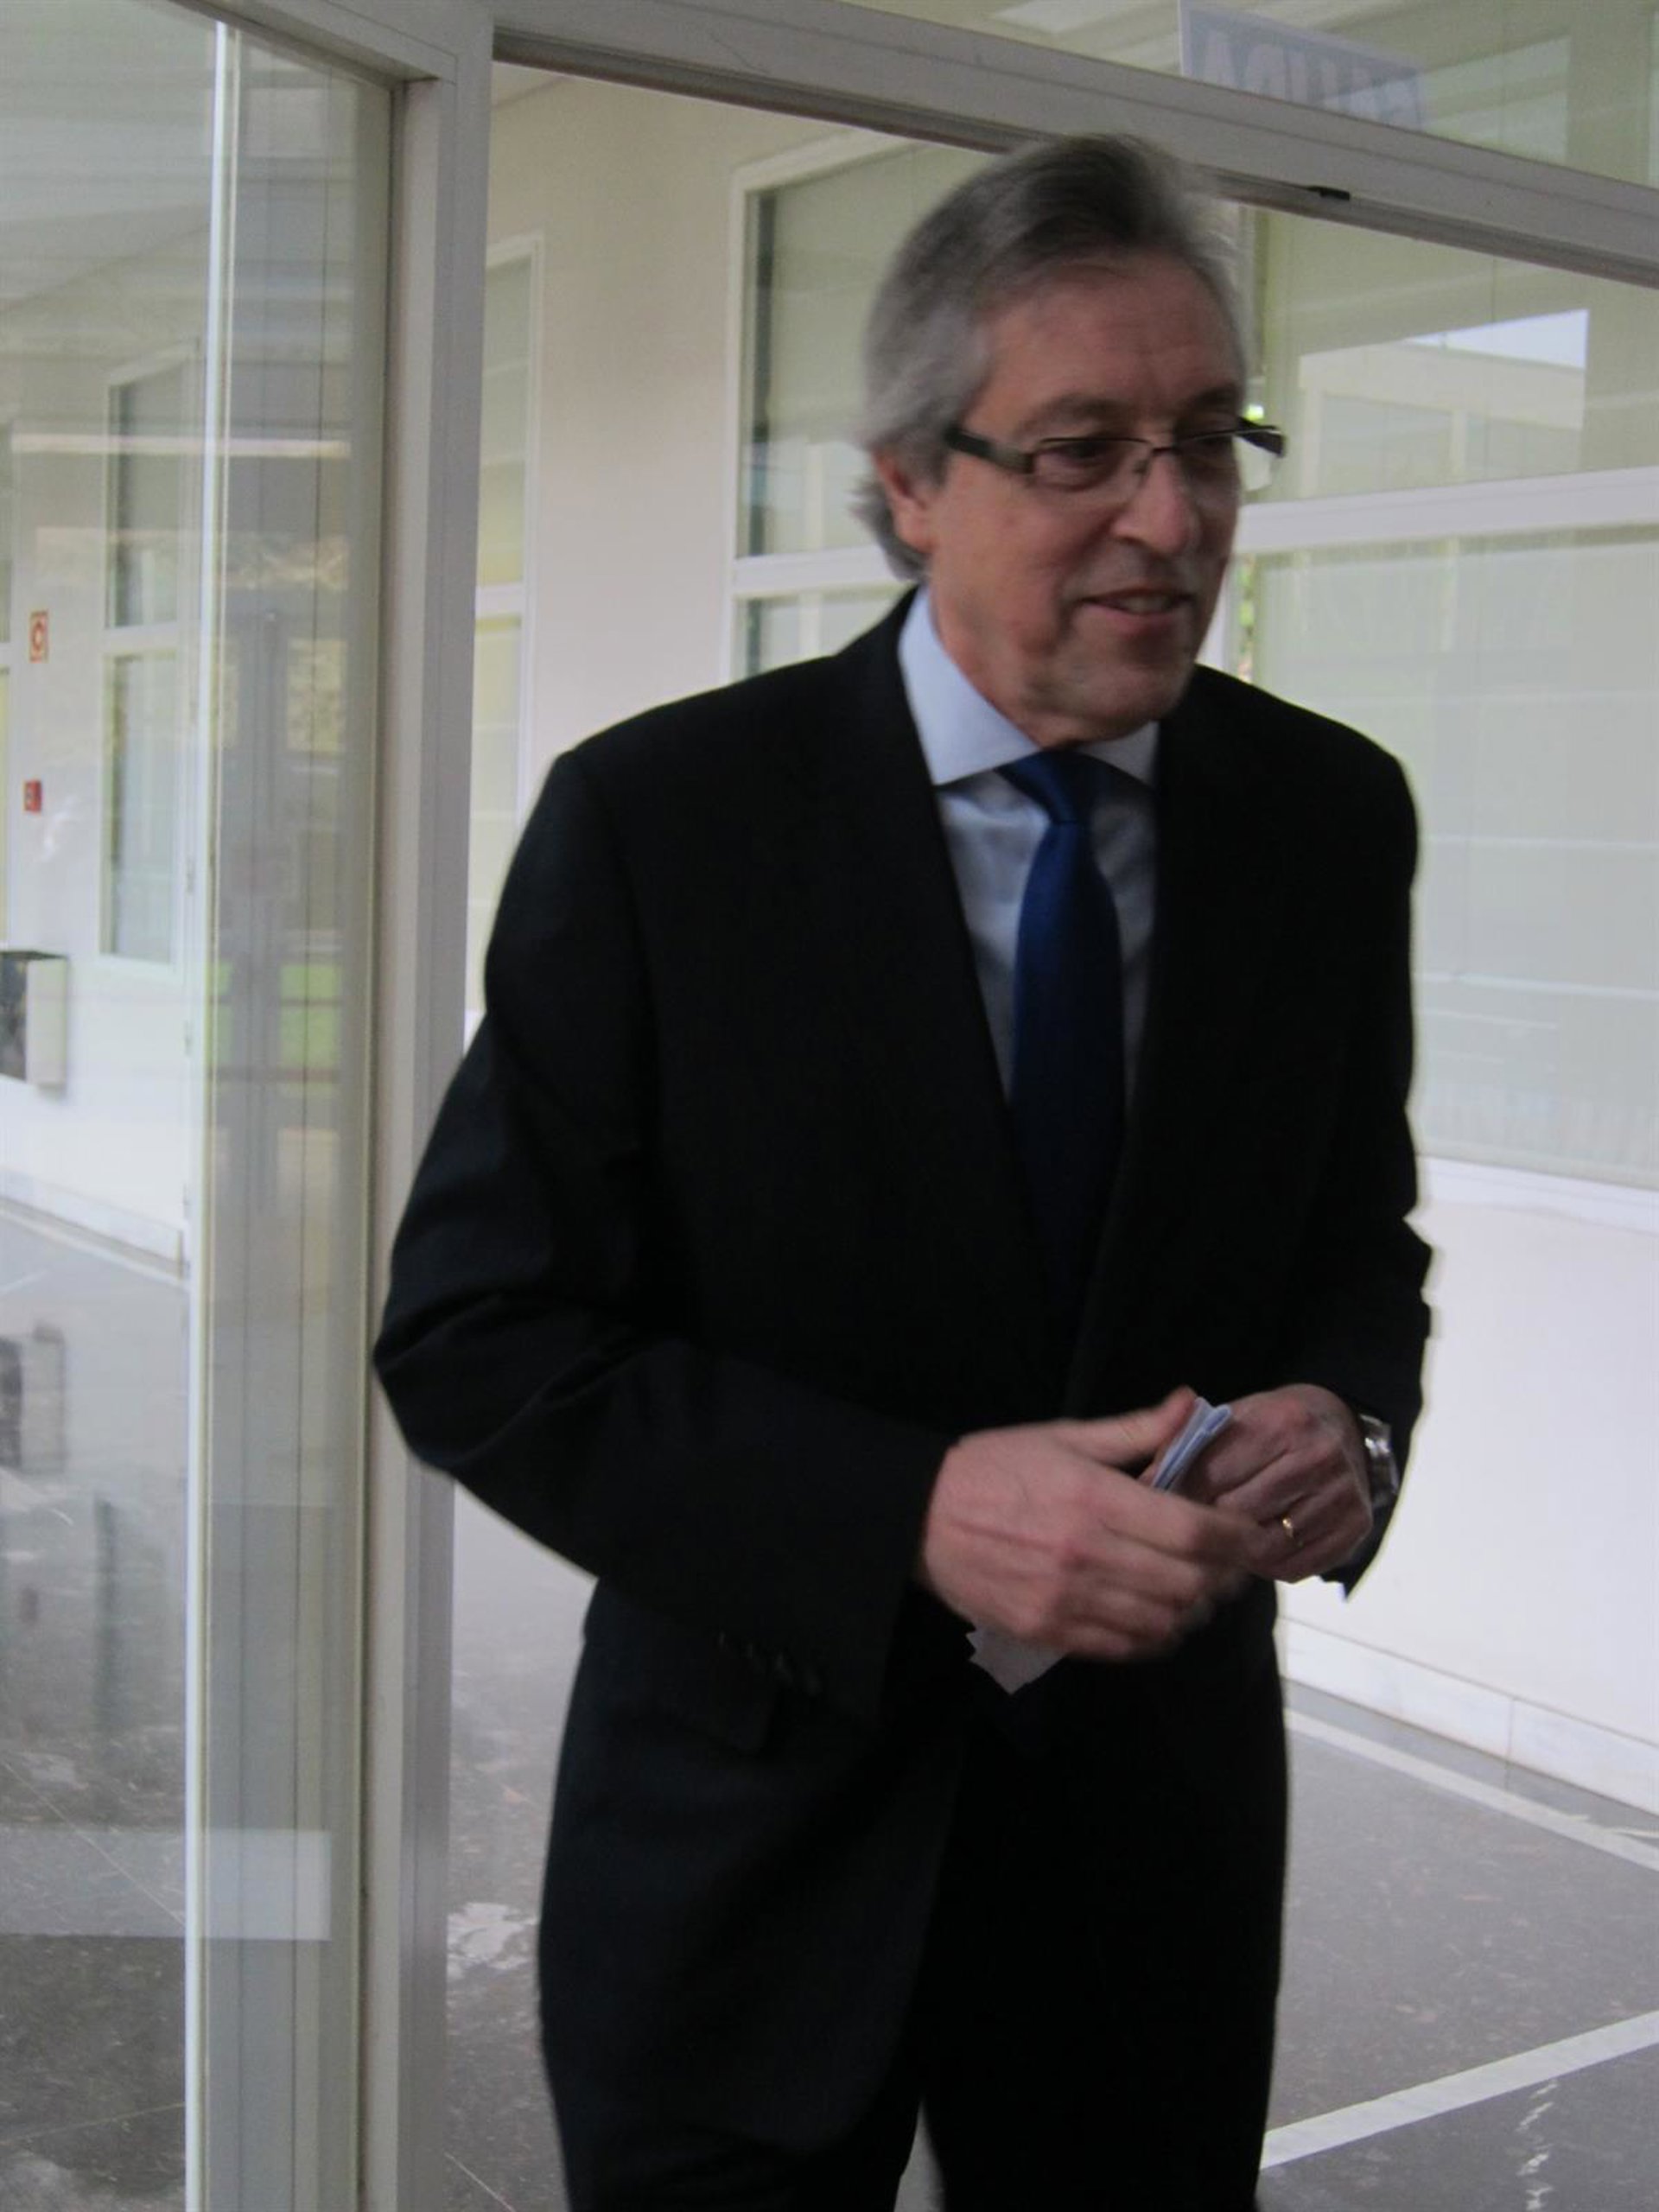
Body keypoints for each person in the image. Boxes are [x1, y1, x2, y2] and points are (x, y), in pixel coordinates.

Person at [376, 134, 1431, 2211]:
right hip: (746, 1866)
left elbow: (1350, 1241)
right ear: (909, 482)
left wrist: (1351, 1418)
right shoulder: (667, 825)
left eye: (1211, 440)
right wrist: (910, 1512)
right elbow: (479, 1334)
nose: (1172, 518)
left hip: (1147, 1869)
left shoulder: (1325, 817)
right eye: (1086, 448)